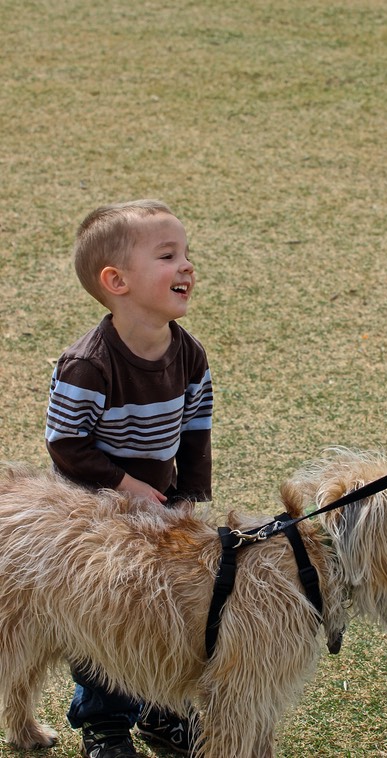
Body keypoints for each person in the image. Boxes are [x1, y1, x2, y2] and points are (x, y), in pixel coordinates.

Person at [45, 199, 213, 758]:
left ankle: (164, 713)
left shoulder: (189, 356)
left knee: (170, 609)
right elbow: (66, 445)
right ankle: (104, 725)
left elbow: (196, 432)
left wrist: (189, 504)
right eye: (168, 255)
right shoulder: (87, 365)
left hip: (160, 506)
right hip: (91, 516)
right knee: (106, 619)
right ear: (115, 281)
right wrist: (126, 488)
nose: (187, 265)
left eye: (187, 253)